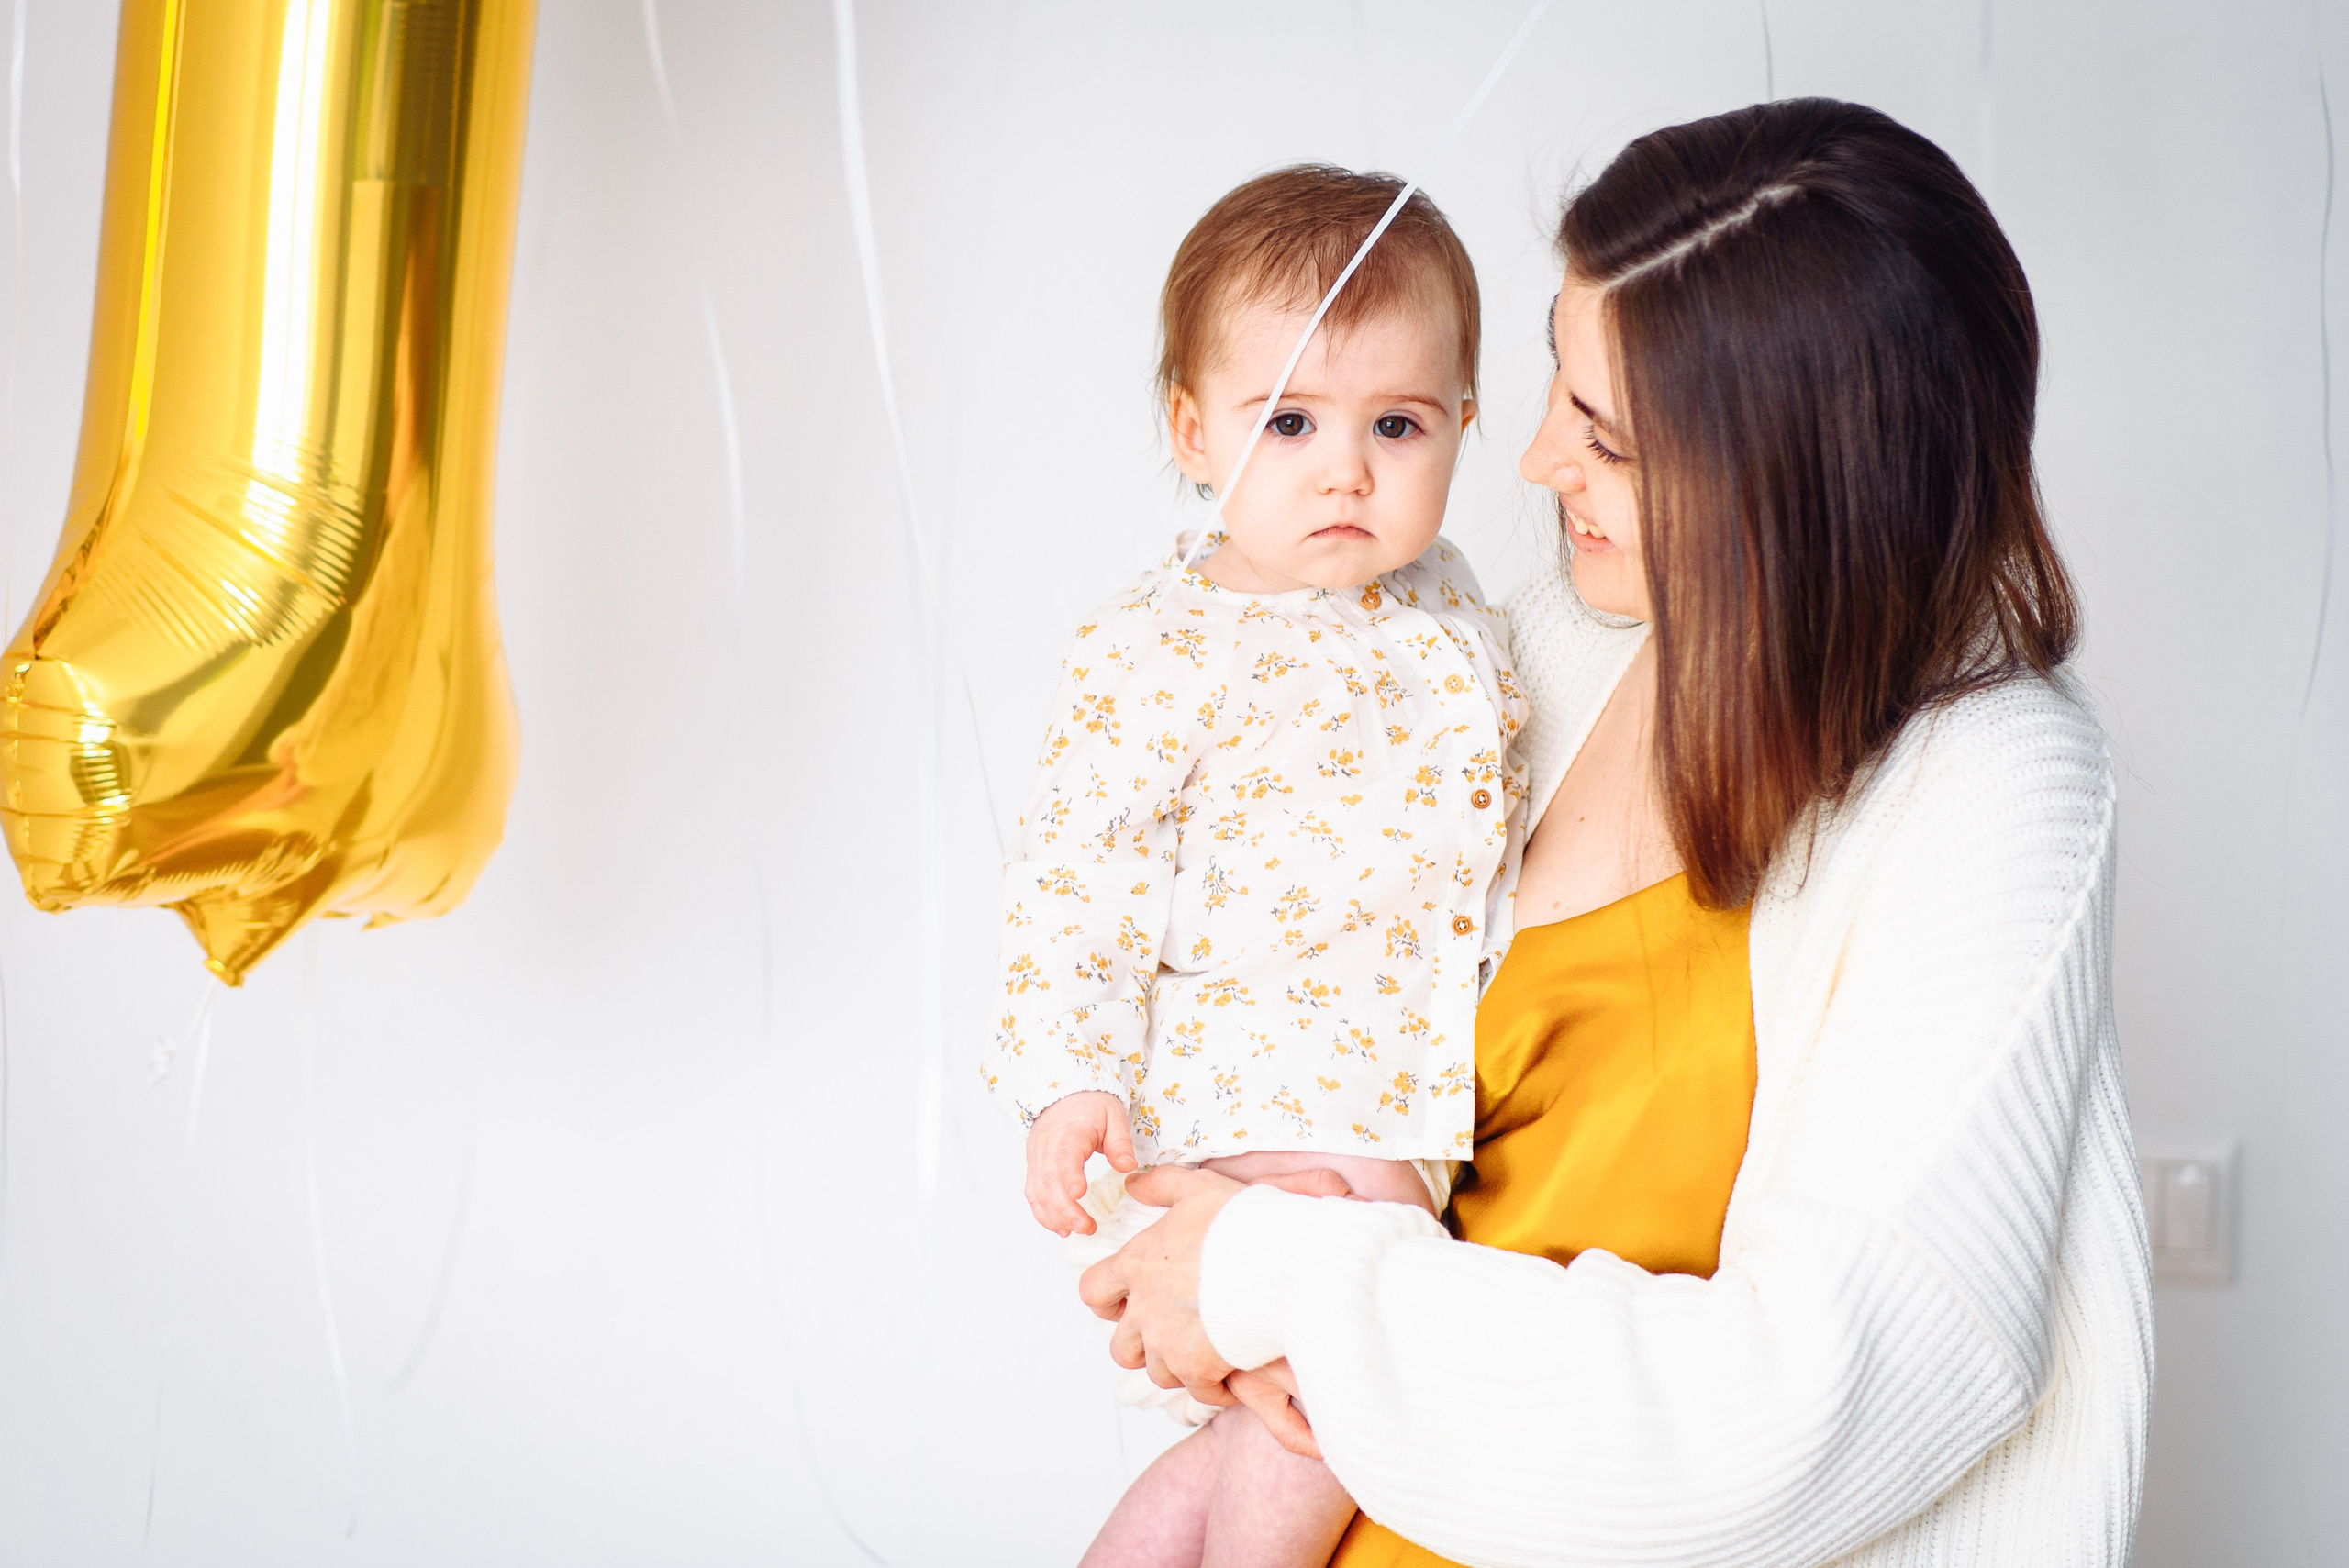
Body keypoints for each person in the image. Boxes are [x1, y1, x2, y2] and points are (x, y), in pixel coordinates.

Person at [1080, 99, 2156, 1567]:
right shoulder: (1509, 660)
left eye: (1608, 436)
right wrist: (1197, 1247)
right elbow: (1273, 1036)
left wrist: (1273, 1273)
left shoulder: (1995, 791)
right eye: (1549, 388)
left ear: (1792, 480)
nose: (1527, 463)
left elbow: (1815, 1411)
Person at [980, 166, 1529, 1566]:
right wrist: (1073, 1075)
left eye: (1396, 423)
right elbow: (1076, 877)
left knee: (1255, 1429)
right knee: (1349, 1388)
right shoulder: (1157, 646)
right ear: (1192, 427)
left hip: (1387, 1093)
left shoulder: (1457, 600)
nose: (1345, 468)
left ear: (1465, 425)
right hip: (1253, 1089)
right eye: (1287, 420)